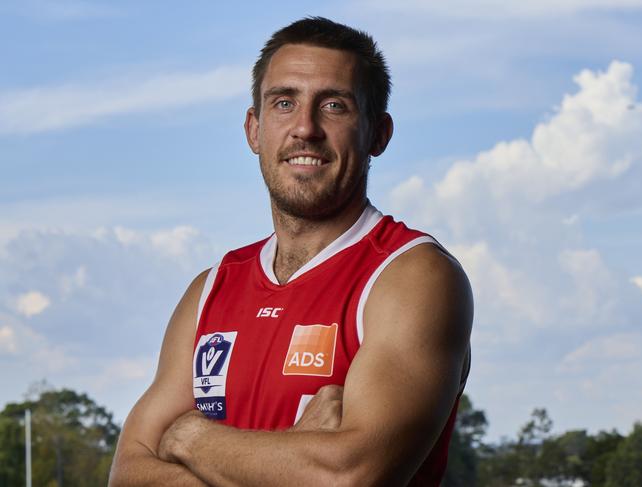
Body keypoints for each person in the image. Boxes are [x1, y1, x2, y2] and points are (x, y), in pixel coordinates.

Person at [109, 16, 473, 487]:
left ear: (378, 134)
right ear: (254, 129)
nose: (305, 128)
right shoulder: (211, 288)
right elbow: (128, 475)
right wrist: (292, 454)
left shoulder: (412, 276)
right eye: (284, 103)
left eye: (335, 106)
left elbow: (349, 475)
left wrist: (189, 439)